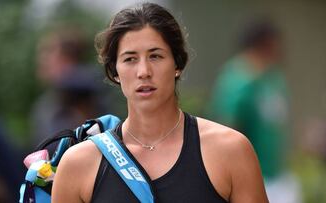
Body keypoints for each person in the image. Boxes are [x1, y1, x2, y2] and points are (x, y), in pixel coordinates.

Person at [52, 3, 268, 203]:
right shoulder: (79, 165)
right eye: (130, 59)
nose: (144, 72)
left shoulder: (229, 151)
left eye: (155, 56)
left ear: (177, 64)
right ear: (114, 71)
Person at [209, 20, 300, 202]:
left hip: (277, 175)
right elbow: (226, 129)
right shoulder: (237, 80)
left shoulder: (274, 78)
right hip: (251, 178)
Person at [30, 27, 107, 147]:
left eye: (48, 52)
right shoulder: (52, 98)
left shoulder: (82, 92)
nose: (42, 59)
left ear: (67, 59)